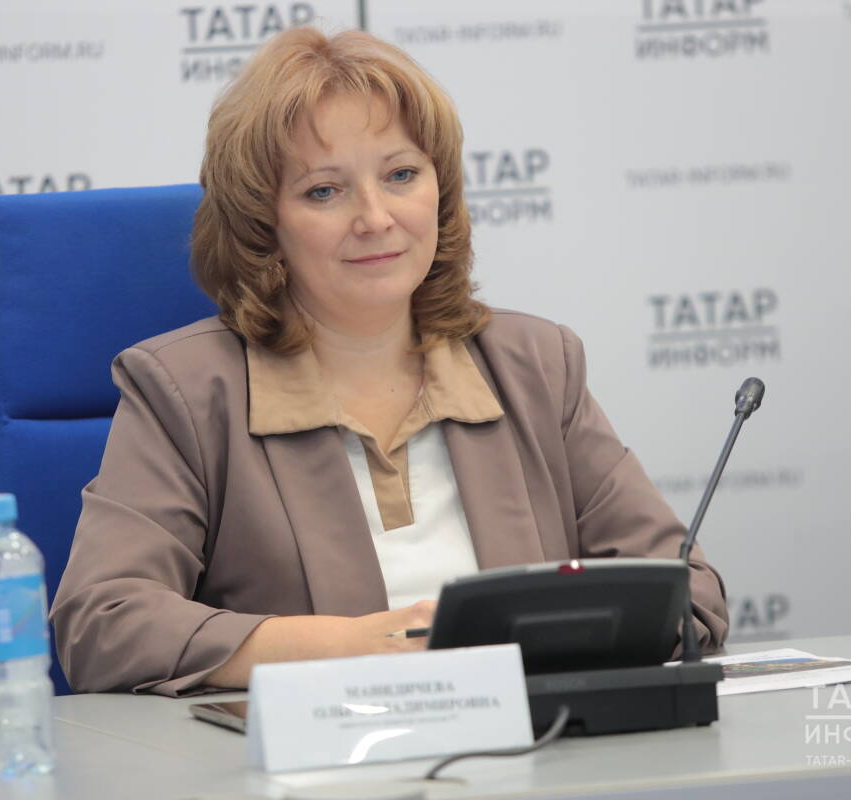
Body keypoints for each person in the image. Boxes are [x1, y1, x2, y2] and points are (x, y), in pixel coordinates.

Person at [49, 26, 728, 696]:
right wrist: (344, 649)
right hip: (313, 753)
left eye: (401, 175)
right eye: (324, 191)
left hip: (537, 744)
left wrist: (535, 654)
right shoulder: (188, 391)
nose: (375, 218)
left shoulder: (537, 366)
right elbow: (102, 622)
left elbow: (688, 595)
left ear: (441, 190)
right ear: (263, 224)